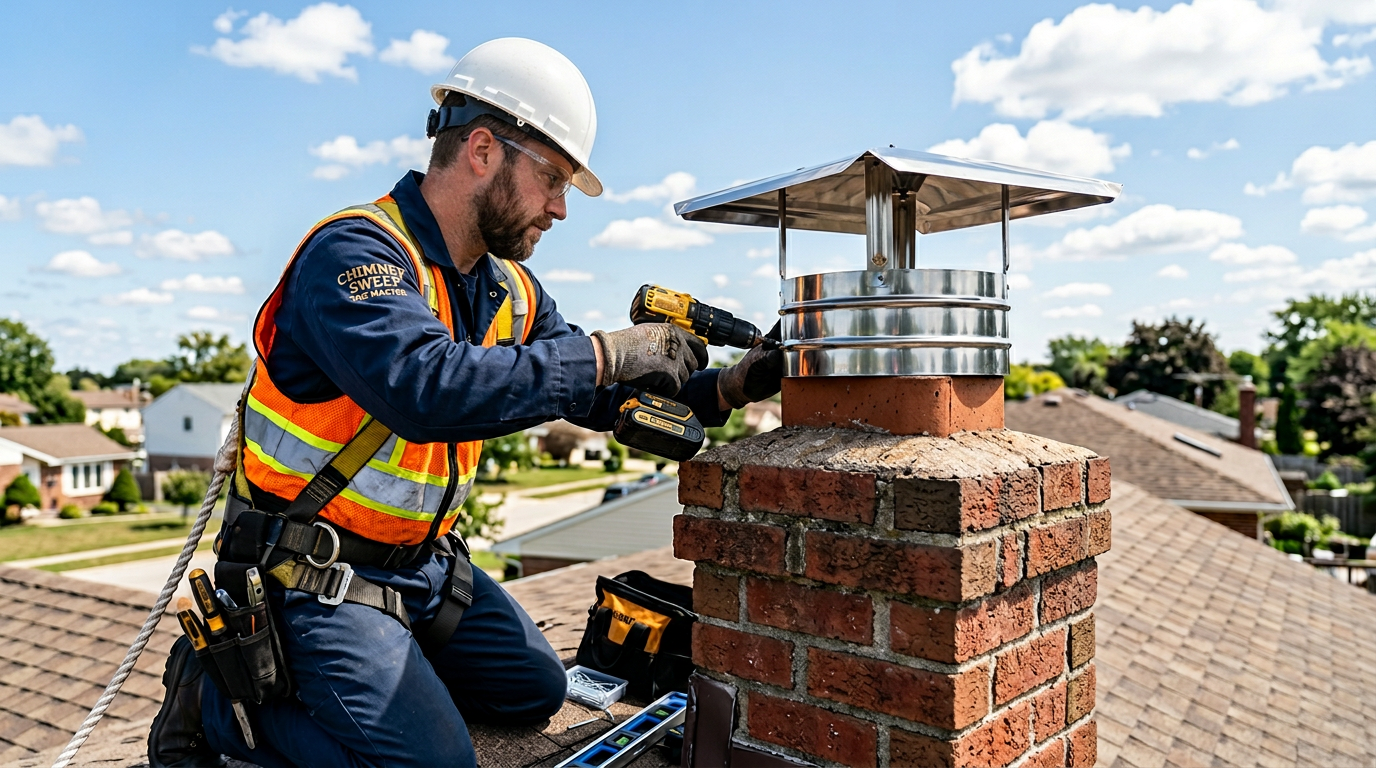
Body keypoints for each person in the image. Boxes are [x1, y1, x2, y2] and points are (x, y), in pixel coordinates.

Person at [147, 37, 781, 768]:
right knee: (438, 764)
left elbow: (599, 391)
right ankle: (214, 711)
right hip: (314, 575)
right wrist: (611, 350)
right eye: (552, 178)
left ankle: (387, 673)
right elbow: (427, 390)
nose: (559, 207)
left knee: (533, 692)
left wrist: (730, 385)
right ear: (482, 149)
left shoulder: (506, 289)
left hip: (423, 569)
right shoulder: (356, 255)